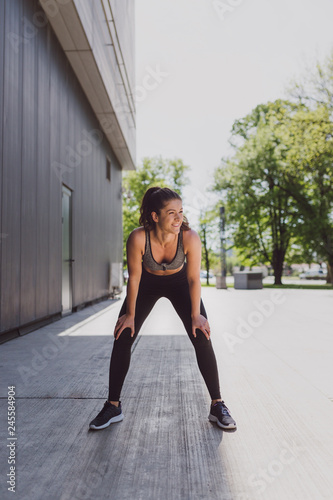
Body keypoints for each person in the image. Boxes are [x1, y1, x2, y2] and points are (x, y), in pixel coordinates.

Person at [89, 187, 236, 430]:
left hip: (180, 284)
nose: (179, 218)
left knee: (201, 334)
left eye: (181, 211)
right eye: (171, 213)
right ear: (155, 216)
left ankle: (217, 404)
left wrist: (196, 315)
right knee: (123, 334)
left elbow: (193, 279)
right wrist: (131, 315)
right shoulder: (138, 238)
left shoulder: (189, 237)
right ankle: (113, 406)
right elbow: (134, 278)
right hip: (147, 284)